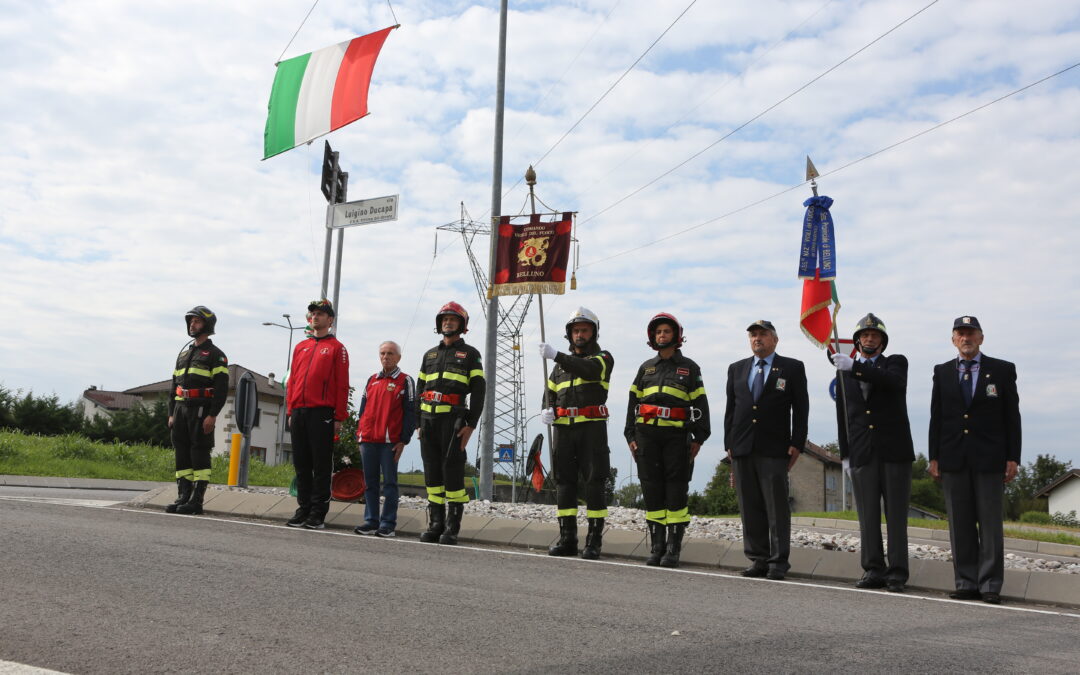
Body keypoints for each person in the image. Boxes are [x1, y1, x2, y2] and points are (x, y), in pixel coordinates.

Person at [929, 316, 1021, 604]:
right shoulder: (942, 371)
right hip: (953, 456)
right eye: (960, 333)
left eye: (971, 333)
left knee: (990, 523)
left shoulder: (1002, 370)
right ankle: (966, 581)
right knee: (960, 522)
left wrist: (1013, 456)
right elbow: (937, 417)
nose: (966, 338)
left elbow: (1011, 416)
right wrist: (934, 456)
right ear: (953, 339)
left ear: (981, 338)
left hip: (990, 457)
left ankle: (990, 584)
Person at [831, 313, 914, 592]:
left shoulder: (895, 363)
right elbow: (844, 415)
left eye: (874, 336)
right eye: (864, 336)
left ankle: (898, 572)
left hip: (894, 451)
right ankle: (873, 569)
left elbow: (892, 383)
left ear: (882, 341)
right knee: (867, 516)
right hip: (862, 451)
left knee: (896, 516)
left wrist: (854, 366)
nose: (869, 339)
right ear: (857, 341)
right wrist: (845, 453)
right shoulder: (844, 372)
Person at [724, 319, 808, 581]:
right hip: (742, 446)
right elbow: (731, 409)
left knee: (776, 506)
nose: (757, 339)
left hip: (774, 447)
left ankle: (778, 562)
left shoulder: (792, 368)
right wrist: (729, 443)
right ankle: (758, 558)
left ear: (775, 339)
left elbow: (801, 409)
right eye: (753, 335)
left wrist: (797, 442)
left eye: (762, 334)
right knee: (749, 506)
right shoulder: (736, 369)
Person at [624, 313, 710, 568]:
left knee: (675, 492)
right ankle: (657, 547)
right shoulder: (645, 368)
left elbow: (701, 405)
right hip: (646, 439)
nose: (662, 335)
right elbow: (632, 404)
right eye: (658, 332)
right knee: (652, 492)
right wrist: (630, 436)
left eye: (667, 332)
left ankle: (673, 549)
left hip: (676, 439)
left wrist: (699, 437)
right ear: (653, 336)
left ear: (677, 336)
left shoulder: (690, 368)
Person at [539, 307, 615, 560]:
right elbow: (549, 392)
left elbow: (589, 370)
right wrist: (545, 410)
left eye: (584, 330)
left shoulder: (603, 358)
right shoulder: (559, 368)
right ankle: (567, 538)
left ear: (593, 333)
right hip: (564, 431)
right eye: (575, 331)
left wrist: (557, 355)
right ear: (569, 335)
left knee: (594, 483)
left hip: (591, 430)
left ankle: (594, 542)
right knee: (564, 483)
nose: (579, 334)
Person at [415, 302, 485, 545]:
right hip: (428, 422)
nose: (448, 322)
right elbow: (419, 388)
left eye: (453, 319)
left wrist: (471, 424)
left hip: (453, 421)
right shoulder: (429, 355)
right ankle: (436, 523)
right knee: (432, 473)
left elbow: (479, 391)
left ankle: (452, 527)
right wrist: (418, 422)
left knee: (452, 472)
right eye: (444, 319)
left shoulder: (471, 354)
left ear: (462, 325)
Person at [285, 299, 350, 530]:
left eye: (321, 314)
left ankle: (317, 513)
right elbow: (292, 381)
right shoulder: (301, 347)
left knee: (321, 465)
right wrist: (290, 410)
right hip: (299, 412)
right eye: (312, 313)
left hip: (322, 412)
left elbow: (342, 385)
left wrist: (339, 417)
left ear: (330, 320)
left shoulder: (337, 348)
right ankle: (303, 508)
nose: (315, 316)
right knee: (301, 465)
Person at [166, 306, 229, 515]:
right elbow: (173, 385)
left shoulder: (216, 355)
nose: (192, 324)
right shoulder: (183, 354)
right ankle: (183, 495)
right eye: (191, 321)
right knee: (182, 453)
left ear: (207, 325)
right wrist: (171, 413)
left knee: (199, 453)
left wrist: (212, 415)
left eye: (197, 321)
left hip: (201, 411)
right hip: (181, 410)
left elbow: (221, 390)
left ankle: (197, 500)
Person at [354, 341, 416, 538]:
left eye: (390, 353)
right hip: (368, 440)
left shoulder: (406, 381)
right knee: (370, 483)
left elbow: (411, 412)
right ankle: (371, 521)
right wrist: (360, 436)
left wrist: (404, 440)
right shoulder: (372, 379)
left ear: (398, 357)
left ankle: (388, 523)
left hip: (390, 442)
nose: (385, 357)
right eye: (382, 353)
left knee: (390, 484)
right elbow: (363, 409)